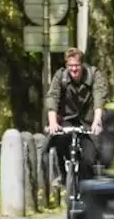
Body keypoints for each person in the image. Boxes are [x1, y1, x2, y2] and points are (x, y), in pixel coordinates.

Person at [45, 48, 107, 183]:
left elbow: (99, 96)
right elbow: (52, 97)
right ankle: (63, 176)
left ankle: (87, 186)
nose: (73, 69)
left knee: (90, 155)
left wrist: (97, 120)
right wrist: (53, 122)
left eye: (77, 66)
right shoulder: (60, 76)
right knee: (59, 142)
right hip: (67, 119)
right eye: (70, 66)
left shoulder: (93, 74)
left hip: (88, 120)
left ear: (82, 64)